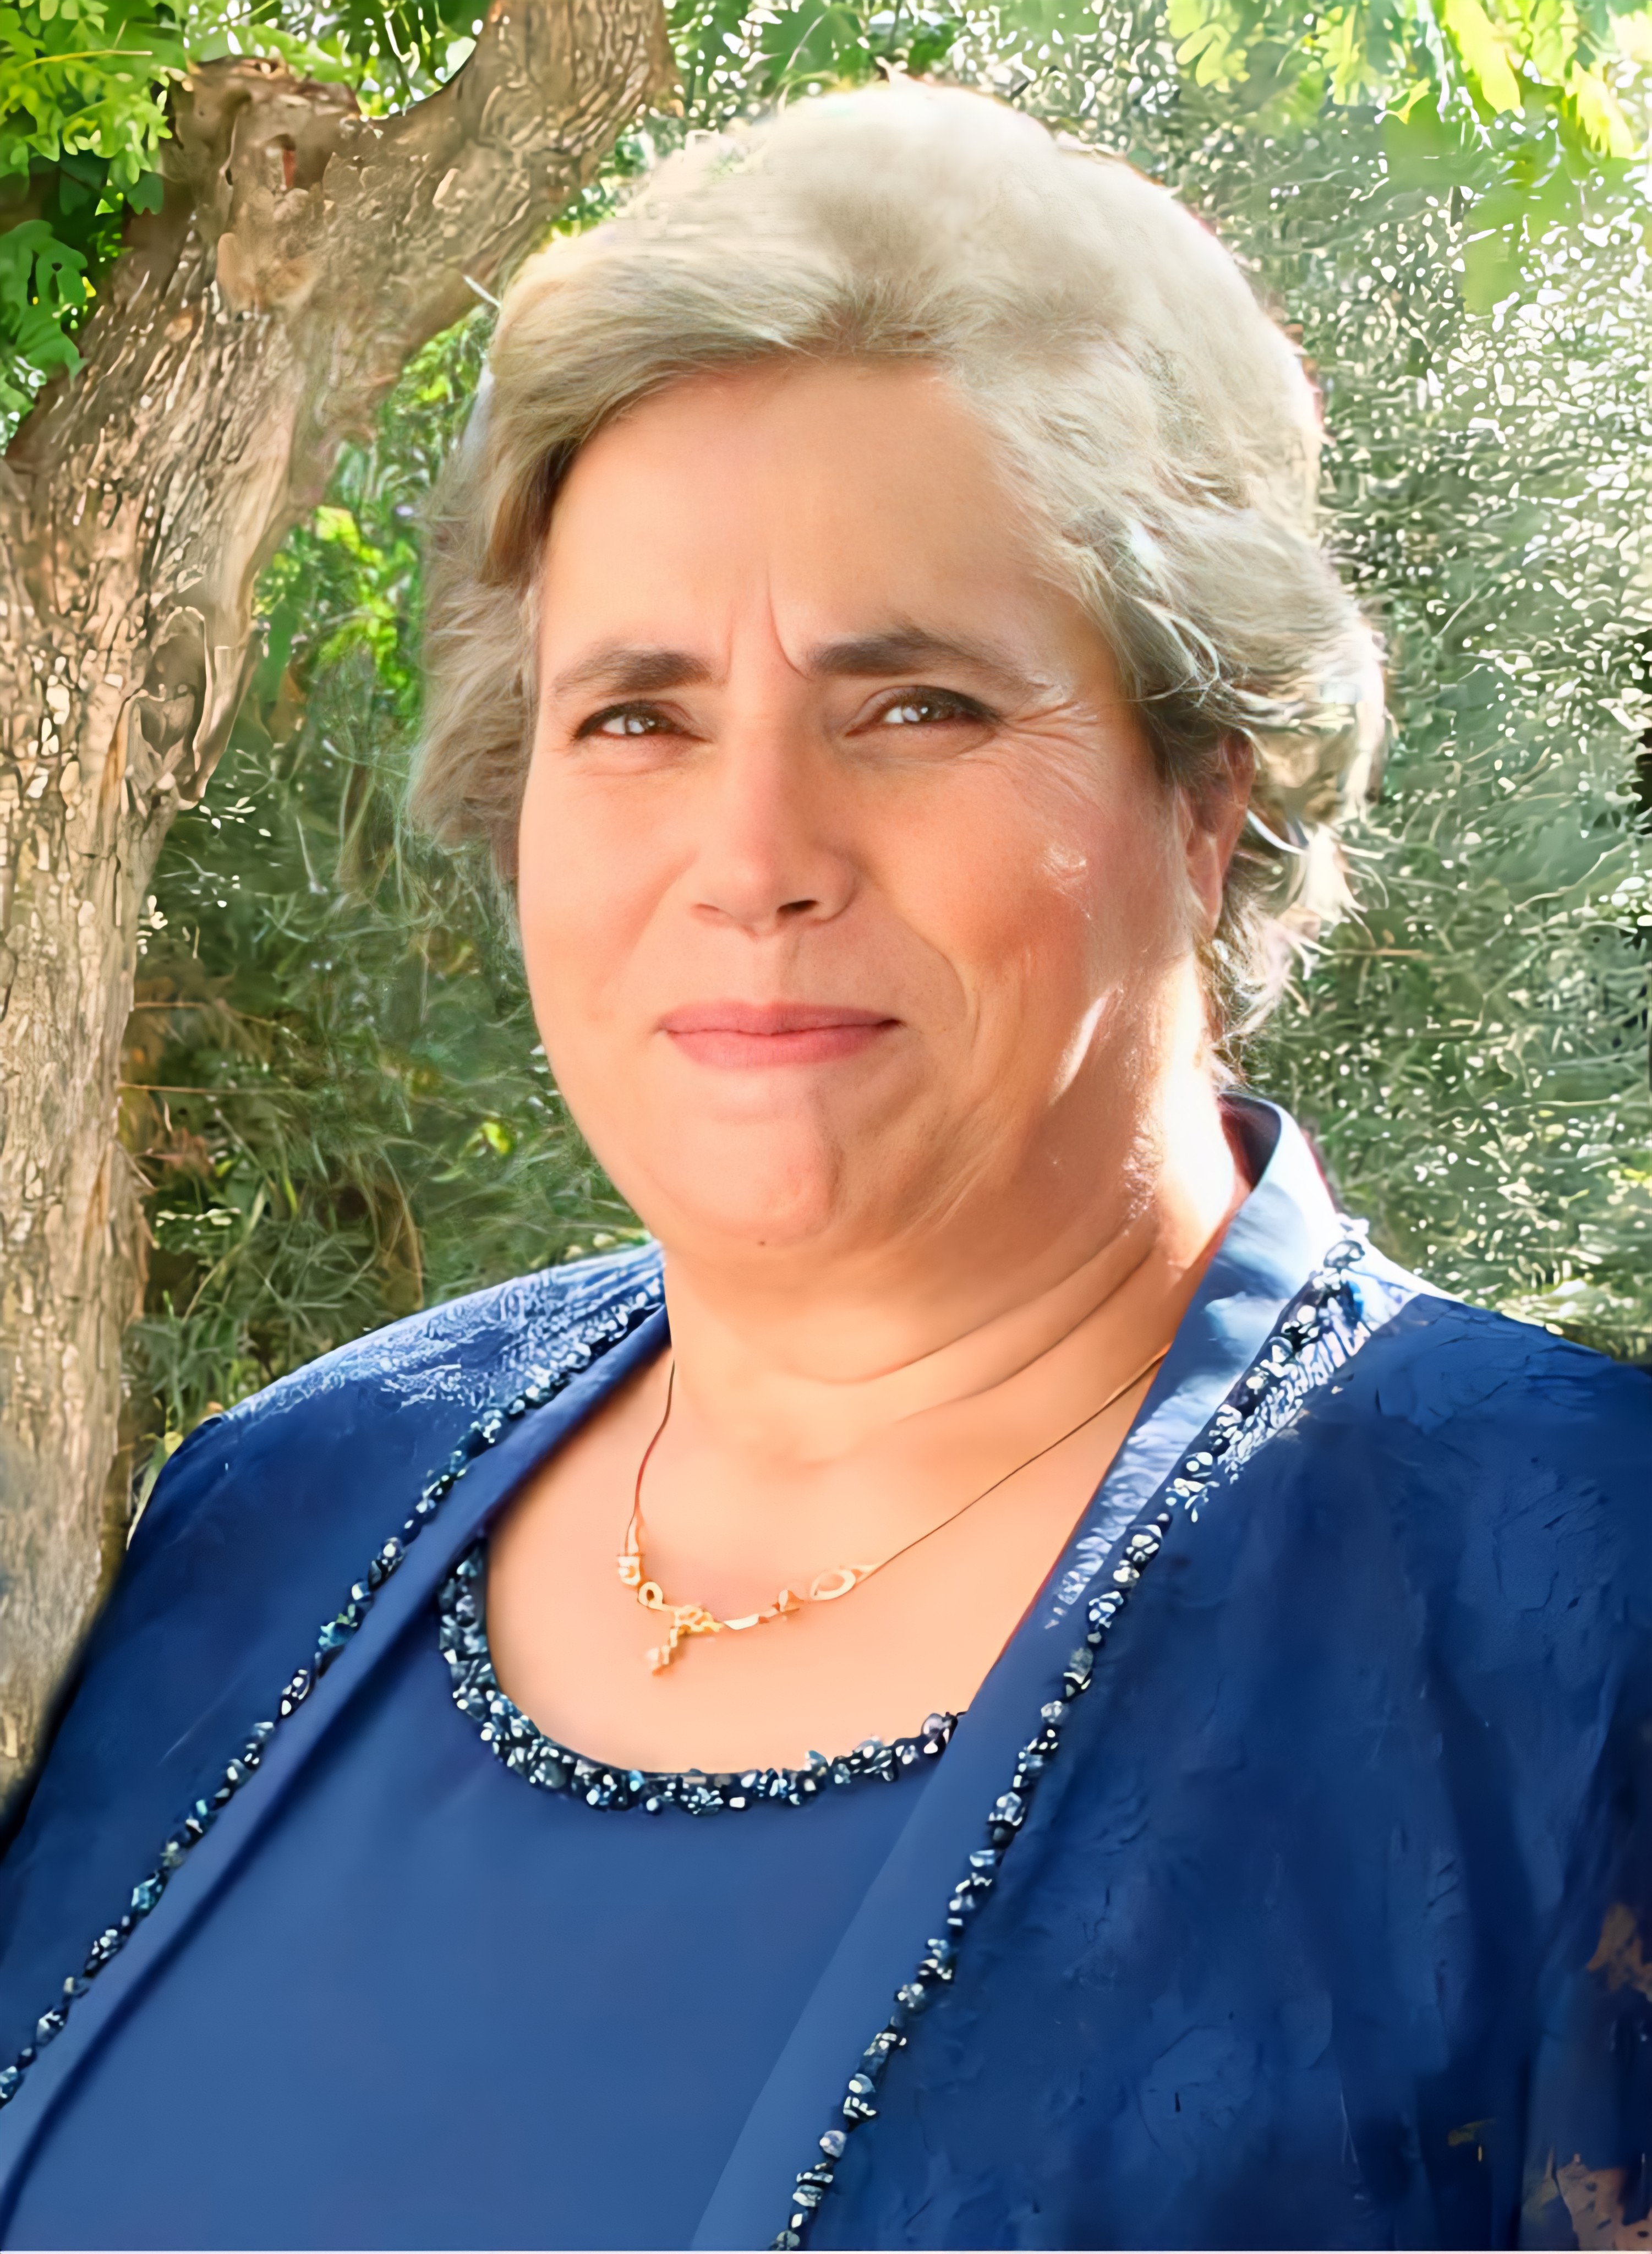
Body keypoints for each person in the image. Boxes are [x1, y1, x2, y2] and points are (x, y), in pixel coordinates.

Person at [0, 81, 1647, 2254]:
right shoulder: (271, 1511)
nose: (752, 857)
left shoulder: (1583, 1605)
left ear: (1206, 795)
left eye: (914, 707)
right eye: (638, 717)